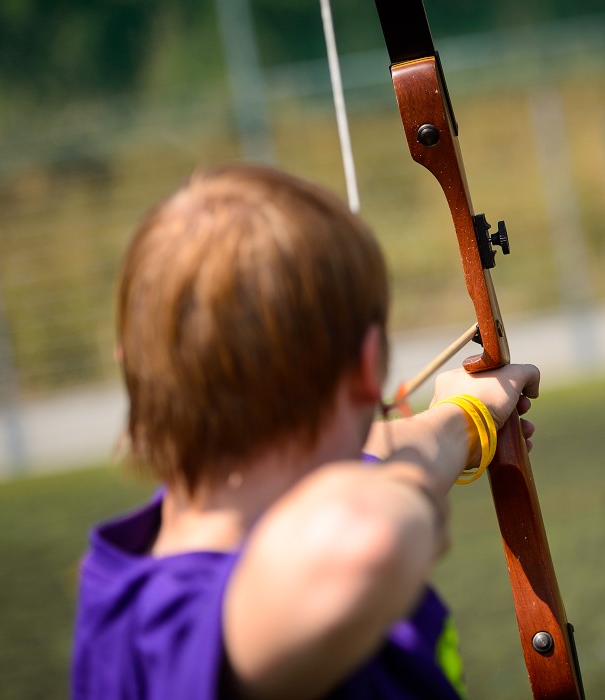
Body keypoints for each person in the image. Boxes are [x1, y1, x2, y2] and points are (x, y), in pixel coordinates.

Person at [71, 163, 540, 699]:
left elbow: (379, 452)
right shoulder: (174, 623)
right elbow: (368, 537)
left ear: (131, 369)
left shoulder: (121, 589)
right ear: (369, 368)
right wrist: (417, 502)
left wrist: (466, 416)